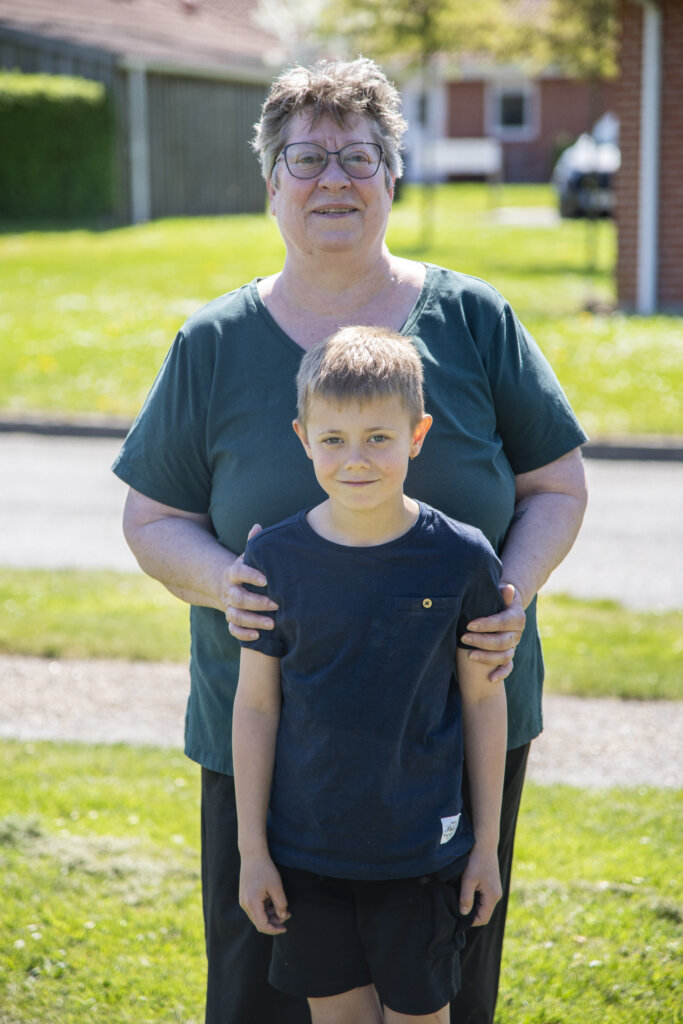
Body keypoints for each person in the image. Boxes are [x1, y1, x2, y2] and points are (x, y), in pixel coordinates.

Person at [113, 57, 588, 1024]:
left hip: (446, 731)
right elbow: (154, 518)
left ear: (393, 176)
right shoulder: (213, 342)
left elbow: (556, 487)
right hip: (273, 740)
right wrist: (223, 583)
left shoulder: (475, 320)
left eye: (359, 155)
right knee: (265, 1000)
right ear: (271, 182)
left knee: (441, 995)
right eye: (306, 157)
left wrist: (511, 595)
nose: (333, 177)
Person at [233, 326, 509, 1024]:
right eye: (333, 440)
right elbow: (257, 707)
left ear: (417, 434)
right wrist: (252, 851)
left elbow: (481, 701)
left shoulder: (462, 558)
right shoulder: (274, 560)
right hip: (305, 856)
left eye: (378, 439)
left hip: (423, 854)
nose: (355, 460)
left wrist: (484, 847)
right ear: (302, 438)